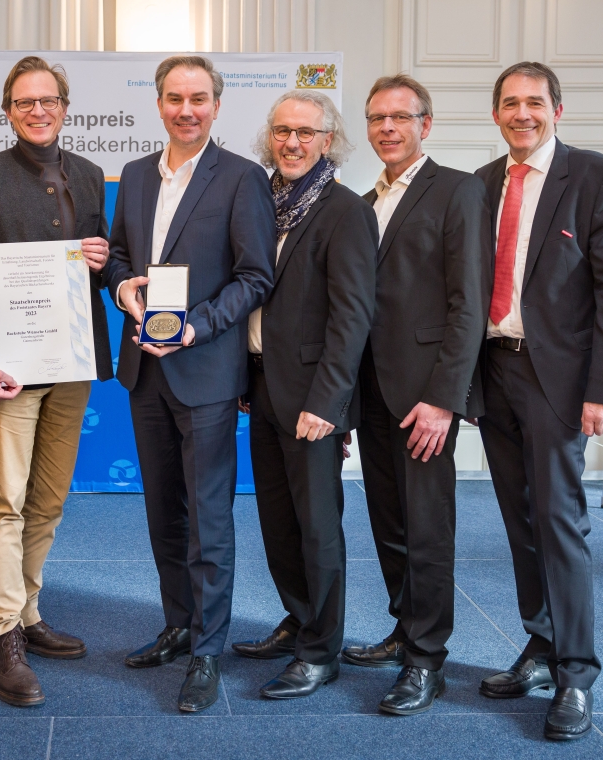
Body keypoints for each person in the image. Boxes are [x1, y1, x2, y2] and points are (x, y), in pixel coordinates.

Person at [104, 55, 276, 712]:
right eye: (175, 97)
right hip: (144, 368)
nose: (186, 109)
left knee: (208, 519)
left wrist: (196, 328)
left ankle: (208, 649)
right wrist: (123, 288)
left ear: (216, 104)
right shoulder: (137, 175)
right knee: (162, 513)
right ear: (159, 103)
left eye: (198, 98)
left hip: (203, 370)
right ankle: (178, 624)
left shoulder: (241, 178)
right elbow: (120, 254)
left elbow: (255, 276)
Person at [474, 62, 603, 741]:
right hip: (494, 372)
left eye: (534, 102)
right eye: (510, 103)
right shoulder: (482, 184)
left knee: (559, 521)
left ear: (557, 110)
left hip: (560, 382)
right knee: (518, 519)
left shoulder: (599, 178)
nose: (522, 113)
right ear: (496, 114)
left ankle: (576, 673)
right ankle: (539, 645)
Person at [0, 56, 114, 707]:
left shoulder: (91, 176)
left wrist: (102, 260)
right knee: (4, 503)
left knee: (47, 499)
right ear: (9, 111)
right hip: (12, 373)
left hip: (72, 363)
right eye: (25, 102)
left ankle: (27, 610)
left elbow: (98, 269)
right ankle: (2, 635)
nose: (38, 110)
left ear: (65, 107)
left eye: (48, 100)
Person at [347, 74, 489, 715]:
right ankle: (405, 629)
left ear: (425, 125)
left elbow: (469, 306)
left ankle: (428, 659)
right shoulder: (362, 198)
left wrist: (445, 398)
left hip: (424, 395)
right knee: (389, 519)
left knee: (428, 526)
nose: (387, 128)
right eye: (377, 118)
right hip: (371, 388)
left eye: (400, 118)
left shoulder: (458, 189)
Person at [231, 91, 377, 700]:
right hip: (260, 386)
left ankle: (322, 650)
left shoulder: (344, 210)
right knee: (277, 521)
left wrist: (329, 404)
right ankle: (299, 618)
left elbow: (352, 316)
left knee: (318, 527)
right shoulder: (258, 203)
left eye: (306, 133)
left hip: (313, 397)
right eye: (283, 131)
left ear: (327, 141)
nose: (292, 143)